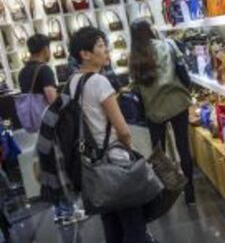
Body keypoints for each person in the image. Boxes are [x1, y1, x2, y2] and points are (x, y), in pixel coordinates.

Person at [69, 26, 152, 243]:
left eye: (105, 45)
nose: (106, 50)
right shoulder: (99, 82)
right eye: (100, 46)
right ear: (85, 54)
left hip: (94, 165)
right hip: (116, 161)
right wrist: (129, 147)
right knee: (134, 225)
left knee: (111, 223)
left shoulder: (72, 82)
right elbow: (122, 129)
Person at [18, 34, 84, 225]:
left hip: (37, 125)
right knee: (59, 166)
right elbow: (51, 96)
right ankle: (67, 210)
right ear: (45, 49)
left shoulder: (23, 72)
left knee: (48, 166)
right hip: (51, 123)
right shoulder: (44, 70)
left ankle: (59, 210)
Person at [129, 20, 195, 204]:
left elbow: (135, 88)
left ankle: (166, 194)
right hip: (177, 103)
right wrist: (187, 88)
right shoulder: (168, 45)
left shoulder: (134, 57)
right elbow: (182, 70)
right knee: (184, 148)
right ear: (150, 30)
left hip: (153, 109)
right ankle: (190, 194)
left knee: (158, 154)